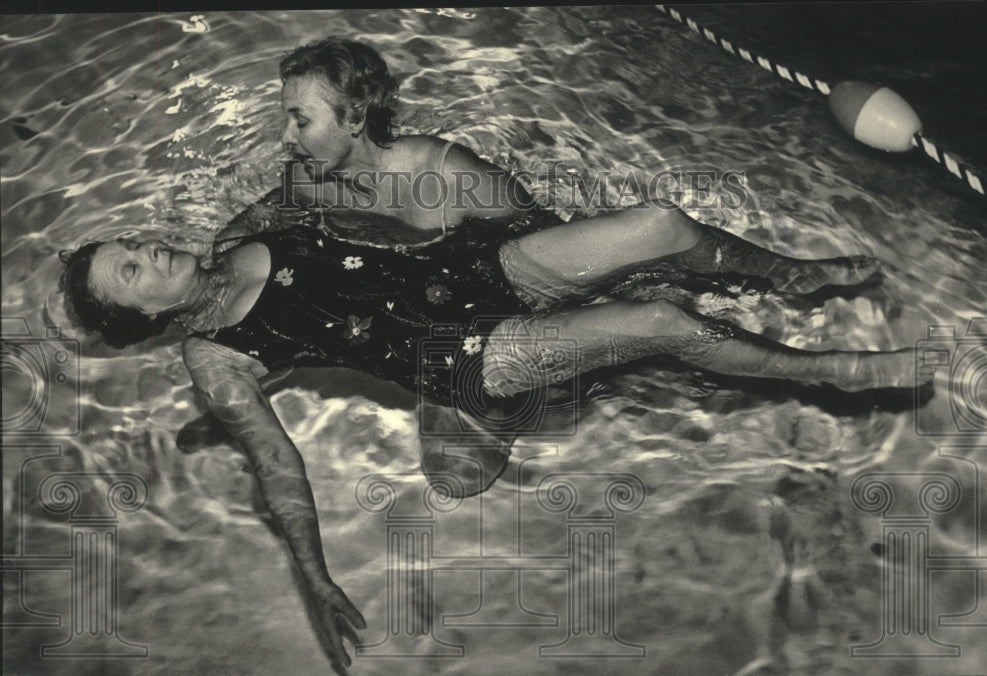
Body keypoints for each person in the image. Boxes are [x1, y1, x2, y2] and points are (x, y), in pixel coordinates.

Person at [59, 198, 927, 675]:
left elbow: (341, 206)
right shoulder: (216, 361)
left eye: (132, 243)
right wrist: (313, 573)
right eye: (130, 269)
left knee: (661, 225)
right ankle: (834, 373)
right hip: (464, 353)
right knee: (662, 318)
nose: (146, 249)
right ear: (143, 320)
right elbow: (278, 464)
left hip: (468, 272)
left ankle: (794, 277)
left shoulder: (244, 235)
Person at [273, 38, 535, 235]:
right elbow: (256, 226)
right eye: (287, 120)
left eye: (302, 121)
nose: (286, 137)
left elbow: (544, 241)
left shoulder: (451, 177)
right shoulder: (303, 181)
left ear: (355, 117)